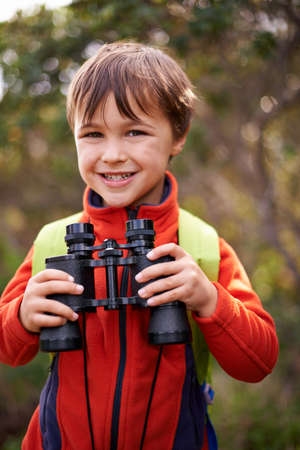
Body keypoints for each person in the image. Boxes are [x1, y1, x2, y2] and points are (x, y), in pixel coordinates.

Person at [0, 42, 278, 450]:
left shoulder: (200, 246)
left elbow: (258, 361)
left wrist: (208, 299)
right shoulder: (53, 242)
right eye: (93, 134)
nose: (113, 155)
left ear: (177, 136)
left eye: (135, 132)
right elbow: (8, 350)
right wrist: (21, 317)